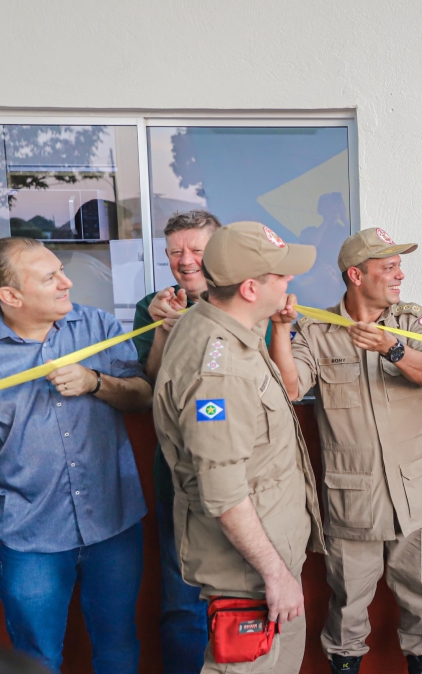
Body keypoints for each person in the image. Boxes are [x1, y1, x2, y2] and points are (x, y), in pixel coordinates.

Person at [268, 228, 422, 674]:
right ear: (356, 275)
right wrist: (281, 329)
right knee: (348, 604)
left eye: (399, 266)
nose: (400, 275)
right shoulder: (317, 331)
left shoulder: (410, 322)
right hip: (353, 498)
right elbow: (289, 388)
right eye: (389, 267)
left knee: (420, 600)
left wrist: (393, 349)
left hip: (415, 494)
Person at [152, 221, 324, 674]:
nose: (290, 281)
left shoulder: (226, 324)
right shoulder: (220, 369)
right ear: (249, 288)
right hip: (250, 575)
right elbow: (224, 492)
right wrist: (275, 574)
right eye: (281, 274)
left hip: (268, 557)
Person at [0, 237, 152, 673]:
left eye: (61, 271)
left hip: (112, 520)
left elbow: (142, 396)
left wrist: (95, 382)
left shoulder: (98, 325)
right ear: (11, 296)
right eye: (50, 278)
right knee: (37, 658)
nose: (67, 283)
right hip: (29, 533)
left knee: (118, 646)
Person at [132, 209, 222, 673]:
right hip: (177, 472)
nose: (185, 261)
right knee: (183, 601)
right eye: (174, 252)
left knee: (248, 598)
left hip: (246, 473)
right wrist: (164, 328)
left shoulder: (247, 296)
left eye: (196, 250)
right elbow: (150, 384)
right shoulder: (152, 304)